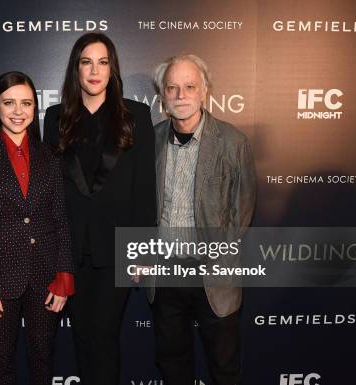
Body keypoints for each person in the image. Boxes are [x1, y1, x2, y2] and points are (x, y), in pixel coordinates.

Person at [43, 33, 157, 385]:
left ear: (112, 70)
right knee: (81, 337)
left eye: (102, 62)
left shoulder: (135, 115)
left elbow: (144, 188)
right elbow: (51, 190)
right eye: (86, 62)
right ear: (75, 69)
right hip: (72, 251)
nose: (94, 71)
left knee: (105, 336)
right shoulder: (55, 117)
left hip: (118, 250)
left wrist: (142, 250)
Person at [148, 54, 257, 385]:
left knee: (223, 368)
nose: (181, 95)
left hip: (214, 274)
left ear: (204, 91)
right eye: (172, 87)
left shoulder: (233, 142)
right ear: (163, 97)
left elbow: (244, 209)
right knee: (172, 366)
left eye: (190, 86)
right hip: (165, 275)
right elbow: (139, 205)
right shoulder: (149, 141)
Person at [0, 71, 74, 385]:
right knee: (2, 365)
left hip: (45, 276)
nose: (18, 111)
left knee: (42, 360)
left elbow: (60, 219)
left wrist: (64, 274)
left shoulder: (50, 157)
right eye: (9, 103)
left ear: (35, 108)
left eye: (26, 103)